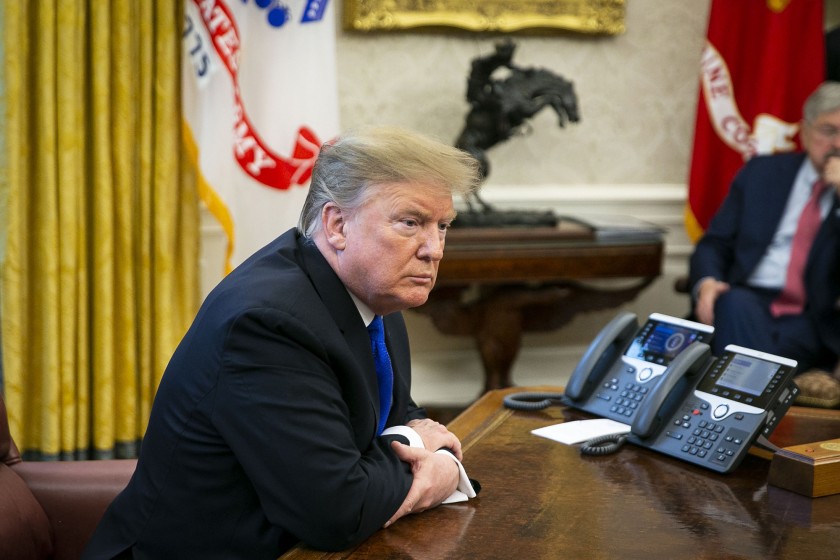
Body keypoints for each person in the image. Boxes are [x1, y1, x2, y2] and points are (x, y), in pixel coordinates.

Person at [82, 126, 482, 559]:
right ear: (337, 224)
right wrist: (433, 463)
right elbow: (337, 511)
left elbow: (397, 415)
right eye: (411, 223)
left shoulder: (375, 297)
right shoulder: (269, 324)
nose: (434, 249)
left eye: (442, 226)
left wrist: (411, 444)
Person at [689, 82, 840, 373]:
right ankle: (760, 400)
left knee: (744, 352)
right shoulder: (762, 174)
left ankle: (743, 403)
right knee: (734, 304)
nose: (838, 144)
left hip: (811, 319)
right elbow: (715, 243)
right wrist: (707, 282)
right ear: (806, 132)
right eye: (829, 131)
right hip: (747, 303)